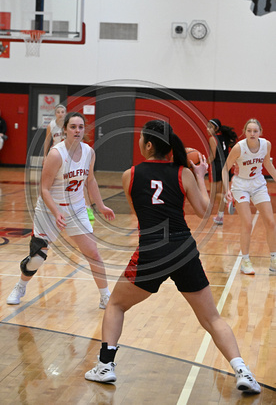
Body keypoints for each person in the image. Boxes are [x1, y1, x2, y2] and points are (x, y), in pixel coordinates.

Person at [85, 119, 261, 394]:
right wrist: (200, 175)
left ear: (150, 144)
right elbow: (205, 213)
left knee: (116, 305)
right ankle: (243, 371)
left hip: (151, 250)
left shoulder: (129, 175)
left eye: (142, 140)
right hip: (182, 250)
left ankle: (105, 366)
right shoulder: (183, 173)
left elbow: (139, 215)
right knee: (212, 318)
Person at [7, 112, 115, 308]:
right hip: (49, 211)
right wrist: (57, 213)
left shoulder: (89, 152)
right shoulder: (56, 154)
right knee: (37, 259)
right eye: (73, 127)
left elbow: (90, 180)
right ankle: (20, 286)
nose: (77, 130)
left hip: (76, 210)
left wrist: (101, 205)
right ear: (64, 129)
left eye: (81, 127)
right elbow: (44, 189)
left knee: (93, 253)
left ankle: (105, 296)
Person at [222, 118, 276, 275]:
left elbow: (268, 164)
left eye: (255, 131)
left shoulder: (266, 145)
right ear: (244, 132)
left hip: (258, 183)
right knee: (247, 223)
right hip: (241, 186)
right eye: (249, 131)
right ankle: (245, 261)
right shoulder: (239, 148)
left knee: (271, 222)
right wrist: (227, 190)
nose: (252, 133)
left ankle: (273, 259)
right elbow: (225, 169)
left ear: (260, 132)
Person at [206, 118, 237, 225]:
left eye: (210, 127)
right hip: (226, 167)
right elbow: (232, 146)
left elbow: (213, 156)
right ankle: (220, 217)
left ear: (216, 128)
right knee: (222, 193)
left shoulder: (212, 138)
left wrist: (203, 163)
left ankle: (229, 200)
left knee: (214, 195)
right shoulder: (225, 137)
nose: (207, 129)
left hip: (216, 167)